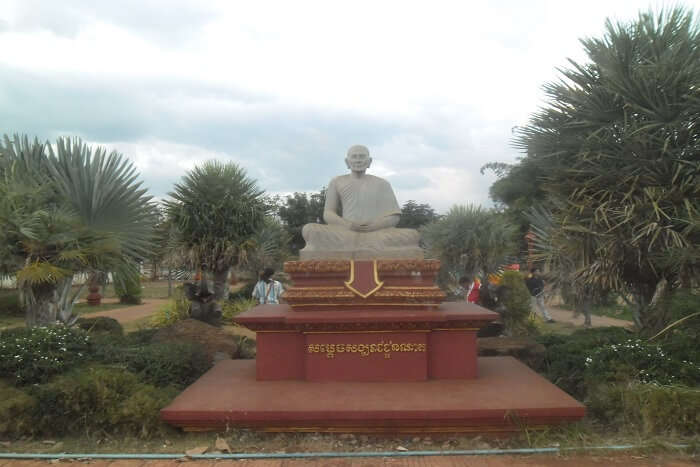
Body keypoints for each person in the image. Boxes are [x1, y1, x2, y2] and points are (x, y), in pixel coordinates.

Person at [299, 145, 423, 260]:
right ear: (347, 162)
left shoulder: (382, 184)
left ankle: (360, 244)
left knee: (412, 235)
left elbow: (394, 217)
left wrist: (375, 226)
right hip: (346, 232)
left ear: (369, 161)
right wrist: (348, 225)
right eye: (354, 157)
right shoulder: (337, 182)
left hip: (376, 233)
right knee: (310, 230)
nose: (358, 160)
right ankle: (363, 245)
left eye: (362, 157)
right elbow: (328, 213)